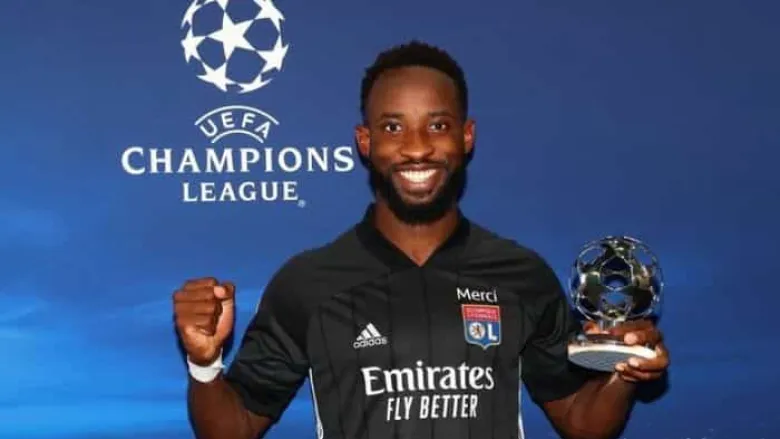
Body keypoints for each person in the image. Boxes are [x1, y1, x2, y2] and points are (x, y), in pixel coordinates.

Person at [172, 40, 670, 439]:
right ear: (365, 142)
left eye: (438, 125)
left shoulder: (522, 275)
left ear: (466, 137)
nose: (416, 148)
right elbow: (234, 428)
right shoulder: (308, 282)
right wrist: (204, 363)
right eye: (393, 127)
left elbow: (581, 422)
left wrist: (623, 373)